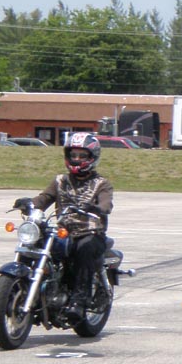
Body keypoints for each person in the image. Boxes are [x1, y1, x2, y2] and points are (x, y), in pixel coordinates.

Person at [17, 132, 114, 322]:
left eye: (82, 155)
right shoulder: (60, 181)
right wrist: (29, 203)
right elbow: (44, 198)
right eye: (73, 154)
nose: (76, 159)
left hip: (90, 232)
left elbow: (106, 204)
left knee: (84, 248)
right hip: (63, 232)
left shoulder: (101, 184)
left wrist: (97, 208)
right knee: (34, 243)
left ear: (92, 157)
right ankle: (20, 288)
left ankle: (79, 301)